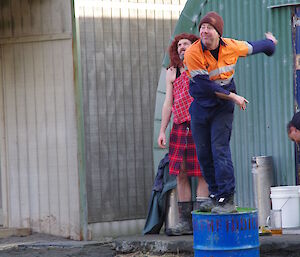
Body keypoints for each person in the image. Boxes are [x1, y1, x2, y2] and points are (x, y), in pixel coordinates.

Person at [183, 11, 278, 214]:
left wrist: (270, 45)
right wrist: (233, 97)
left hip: (221, 108)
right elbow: (204, 87)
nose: (204, 31)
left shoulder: (231, 46)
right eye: (202, 28)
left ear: (218, 32)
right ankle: (215, 195)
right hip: (202, 104)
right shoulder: (193, 53)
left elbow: (255, 46)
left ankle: (226, 199)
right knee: (203, 153)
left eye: (209, 28)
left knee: (220, 149)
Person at [157, 33, 209, 236]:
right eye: (179, 45)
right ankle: (185, 223)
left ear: (195, 46)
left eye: (186, 44)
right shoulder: (172, 72)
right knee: (181, 174)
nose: (182, 47)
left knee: (203, 172)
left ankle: (202, 222)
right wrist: (162, 130)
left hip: (200, 125)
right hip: (180, 127)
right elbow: (167, 103)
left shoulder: (202, 65)